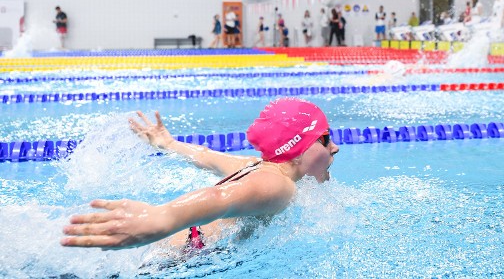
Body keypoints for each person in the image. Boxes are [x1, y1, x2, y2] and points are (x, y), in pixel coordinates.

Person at [61, 98, 339, 250]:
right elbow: (220, 196)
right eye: (325, 138)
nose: (335, 148)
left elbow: (205, 157)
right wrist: (161, 217)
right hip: (173, 259)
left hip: (167, 249)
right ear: (299, 148)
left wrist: (168, 144)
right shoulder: (279, 186)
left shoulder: (254, 166)